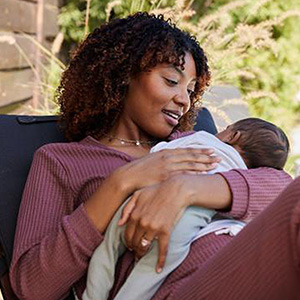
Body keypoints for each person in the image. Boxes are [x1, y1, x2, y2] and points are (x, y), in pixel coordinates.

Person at [9, 12, 295, 300]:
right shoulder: (63, 161)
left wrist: (184, 190)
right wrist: (120, 183)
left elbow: (282, 187)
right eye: (172, 80)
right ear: (123, 75)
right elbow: (32, 288)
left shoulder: (191, 144)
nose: (184, 100)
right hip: (179, 286)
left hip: (239, 257)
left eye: (191, 89)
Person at [83, 117, 290, 300]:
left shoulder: (199, 139)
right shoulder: (239, 172)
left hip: (139, 203)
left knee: (107, 251)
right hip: (184, 224)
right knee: (150, 273)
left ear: (233, 135)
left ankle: (92, 295)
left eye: (226, 127)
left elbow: (156, 155)